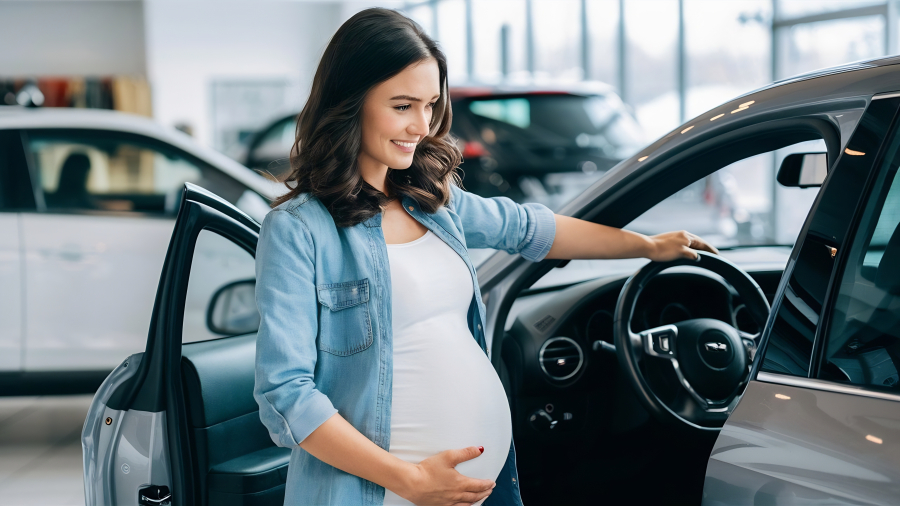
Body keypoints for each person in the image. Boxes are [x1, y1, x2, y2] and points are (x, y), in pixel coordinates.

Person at [253, 8, 718, 506]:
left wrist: (647, 247)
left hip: (481, 491)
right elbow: (286, 396)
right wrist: (408, 480)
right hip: (377, 495)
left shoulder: (432, 201)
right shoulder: (299, 230)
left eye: (430, 105)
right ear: (351, 103)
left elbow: (533, 230)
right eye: (403, 105)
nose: (422, 125)